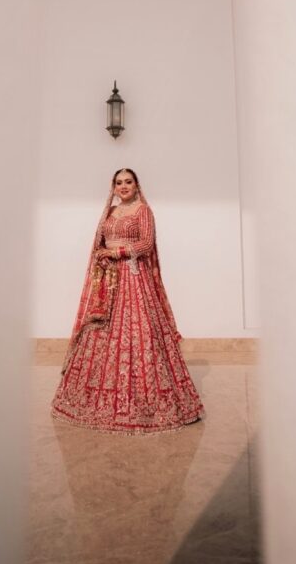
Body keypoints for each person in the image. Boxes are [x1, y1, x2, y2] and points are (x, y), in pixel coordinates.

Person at [51, 168, 205, 434]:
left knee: (140, 334)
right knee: (101, 333)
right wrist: (102, 254)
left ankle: (150, 408)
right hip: (108, 282)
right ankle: (90, 403)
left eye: (128, 182)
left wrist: (117, 252)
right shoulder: (109, 213)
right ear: (113, 186)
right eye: (119, 183)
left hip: (134, 279)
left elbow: (146, 244)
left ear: (136, 185)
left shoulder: (143, 211)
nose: (123, 187)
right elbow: (99, 242)